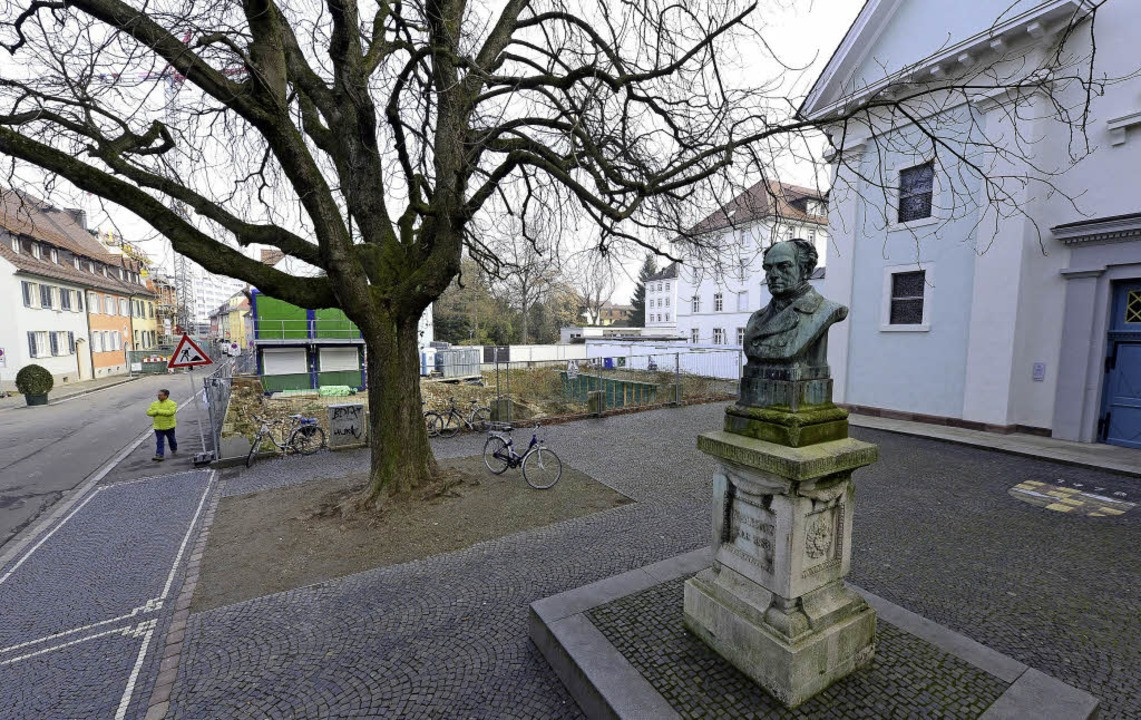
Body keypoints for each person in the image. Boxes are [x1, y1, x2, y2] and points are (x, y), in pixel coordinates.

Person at [147, 389, 178, 461]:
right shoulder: (154, 404)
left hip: (169, 426)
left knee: (171, 439)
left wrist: (157, 411)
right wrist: (156, 412)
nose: (158, 396)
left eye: (160, 395)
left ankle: (174, 448)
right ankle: (159, 455)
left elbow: (170, 412)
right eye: (158, 395)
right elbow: (148, 412)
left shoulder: (172, 403)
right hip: (158, 426)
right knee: (159, 441)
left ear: (166, 396)